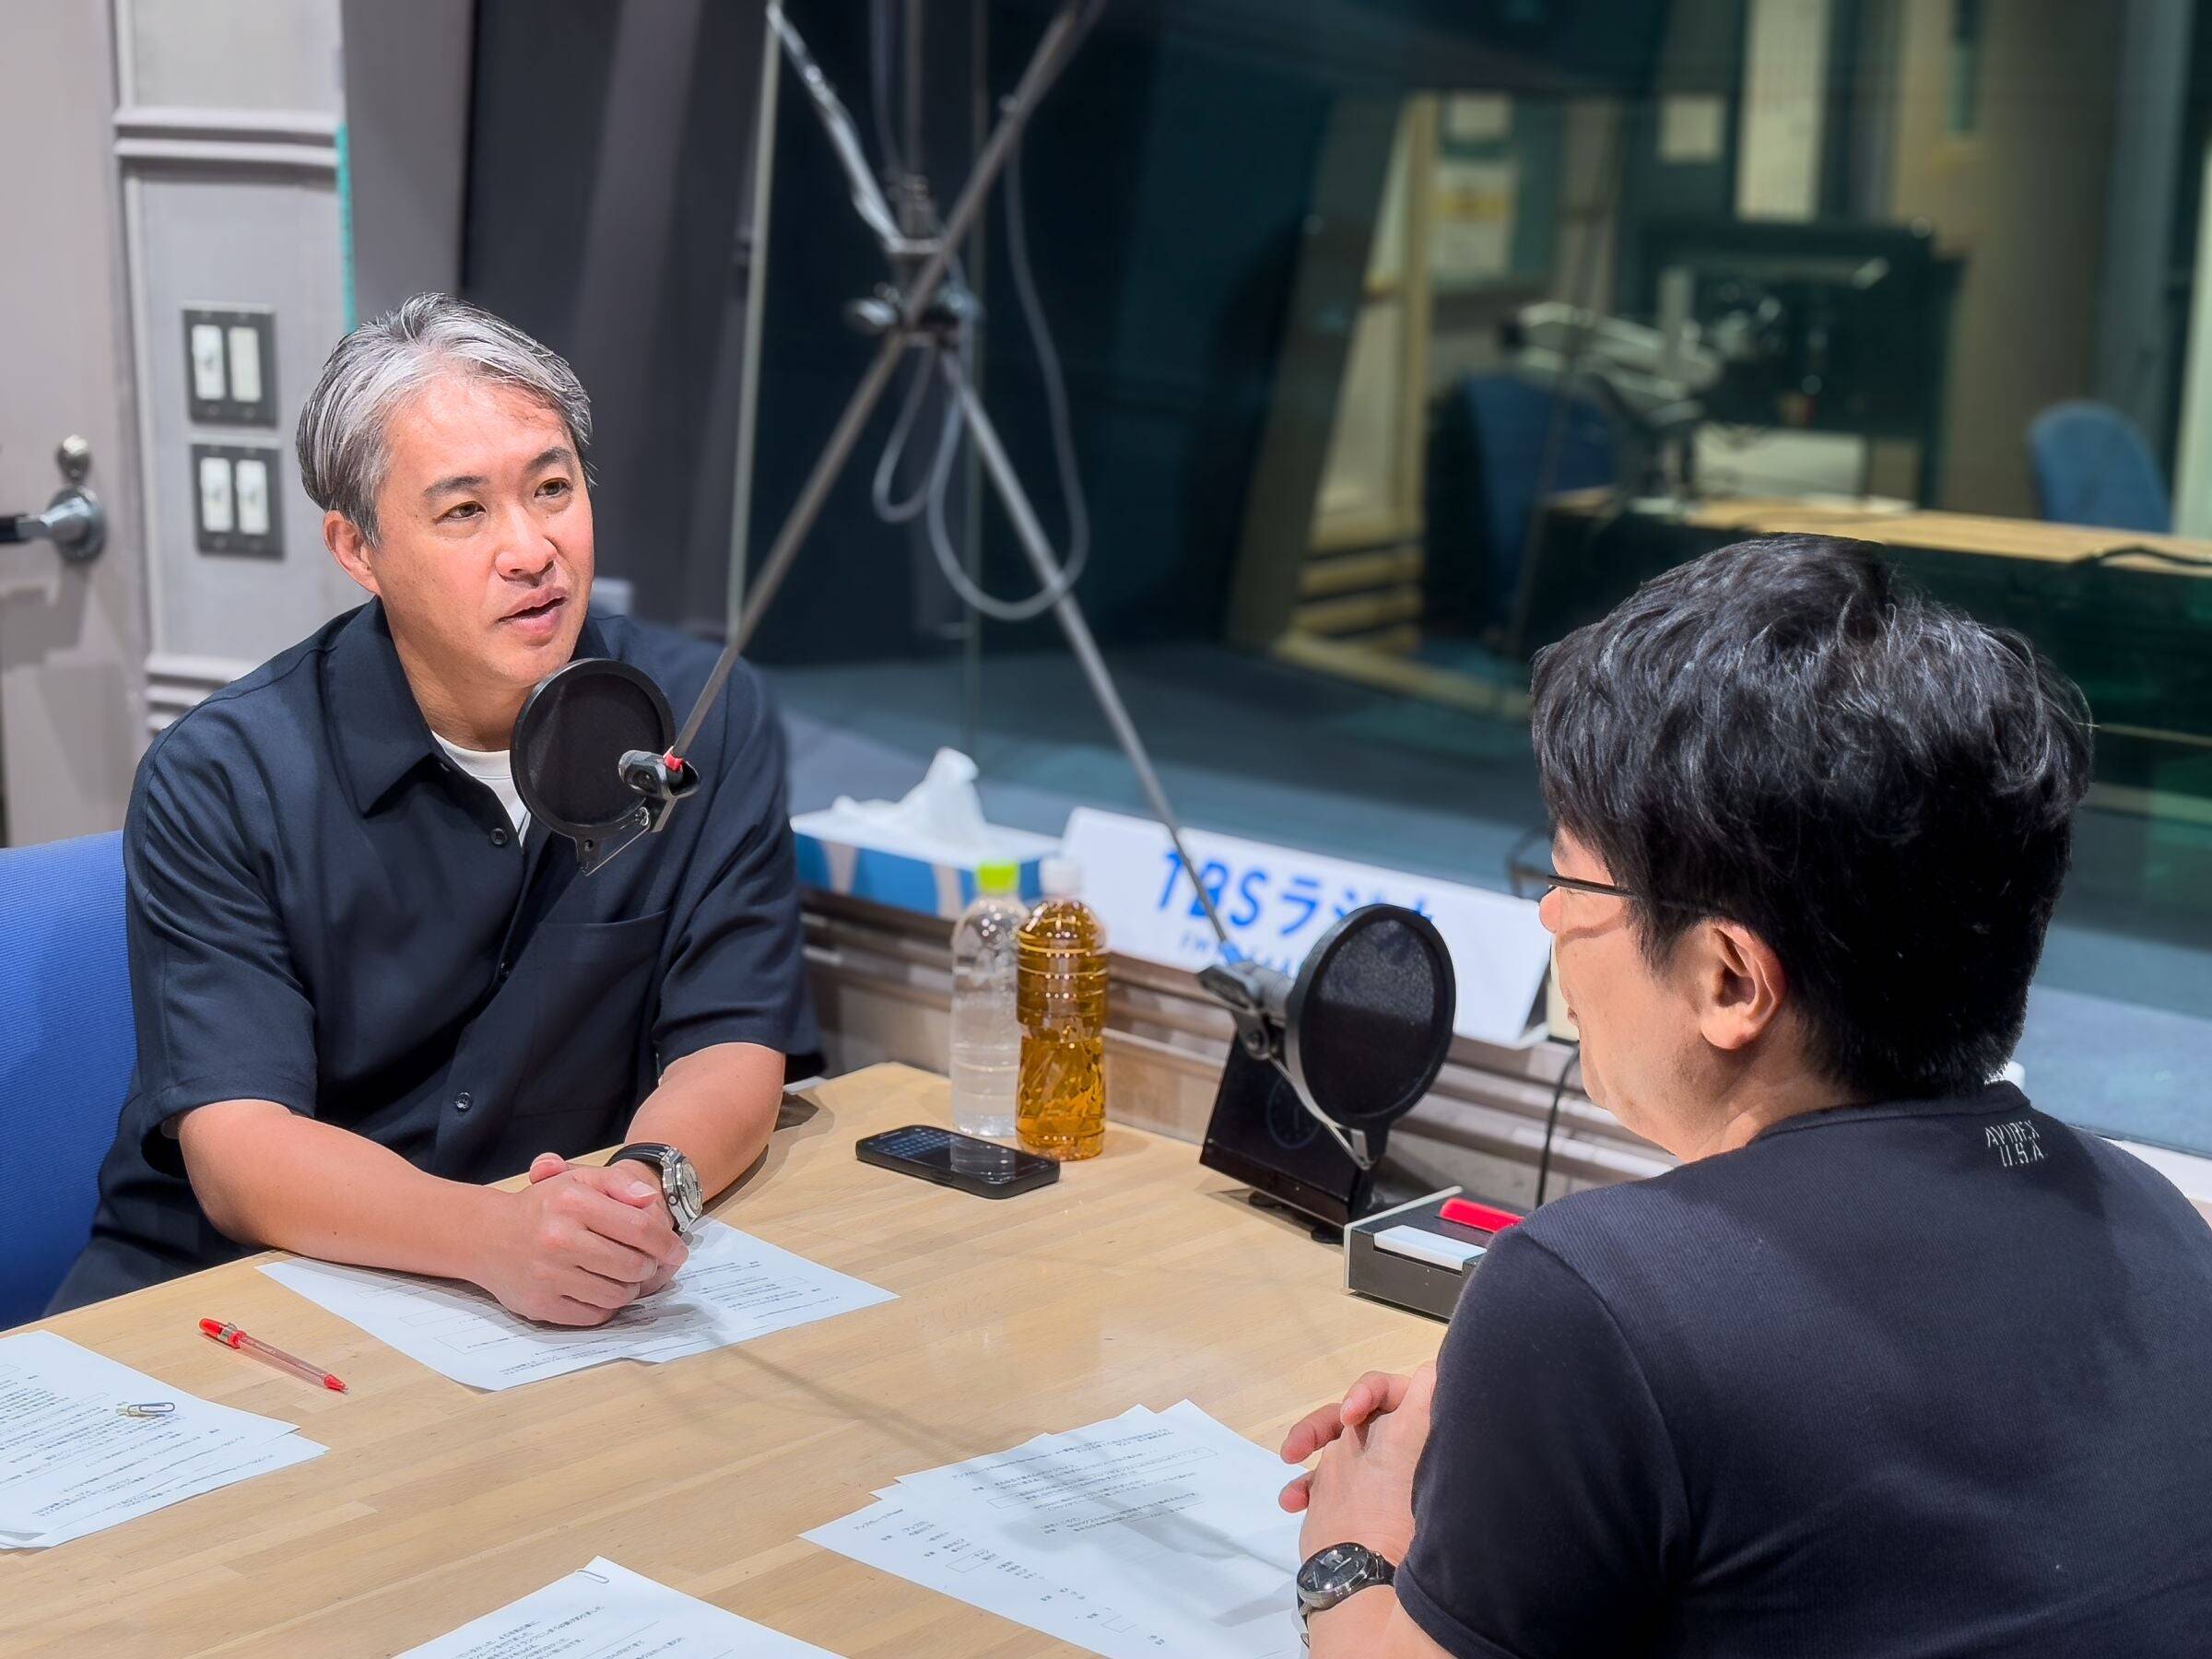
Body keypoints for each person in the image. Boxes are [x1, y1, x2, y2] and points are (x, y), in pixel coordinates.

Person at [1279, 537, 2212, 1654]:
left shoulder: (1596, 1300)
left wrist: (1355, 1547)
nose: (1547, 921)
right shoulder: (2152, 1222)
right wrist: (1521, 1418)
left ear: (1729, 980)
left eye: (1572, 883)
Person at [53, 295, 816, 1324]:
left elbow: (731, 1043)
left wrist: (641, 1198)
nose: (531, 549)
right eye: (464, 511)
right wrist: (495, 1240)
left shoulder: (703, 720)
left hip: (545, 1296)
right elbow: (240, 1150)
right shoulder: (225, 776)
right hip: (241, 1295)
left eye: (553, 488)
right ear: (357, 548)